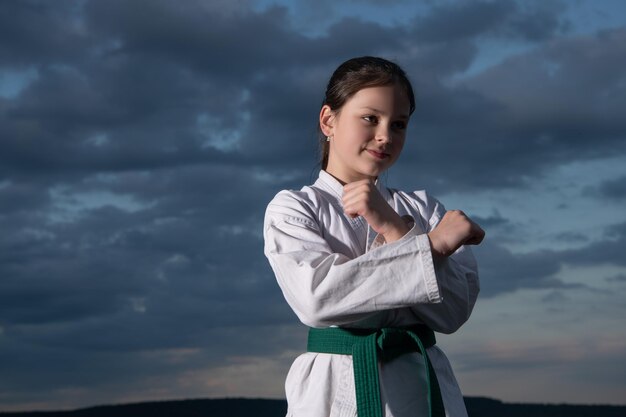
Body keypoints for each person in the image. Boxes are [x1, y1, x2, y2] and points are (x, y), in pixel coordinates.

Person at [263, 56, 485, 417]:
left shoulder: (424, 208)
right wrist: (430, 246)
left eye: (398, 124)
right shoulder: (293, 208)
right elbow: (317, 298)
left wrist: (396, 228)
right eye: (370, 118)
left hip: (423, 389)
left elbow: (454, 312)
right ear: (328, 121)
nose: (385, 135)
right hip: (334, 391)